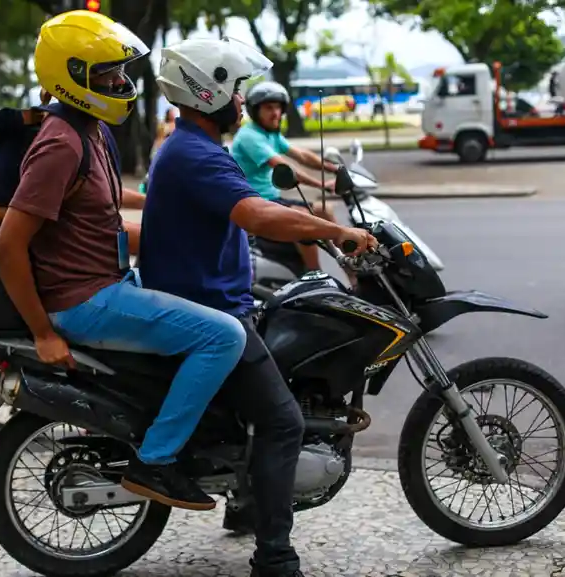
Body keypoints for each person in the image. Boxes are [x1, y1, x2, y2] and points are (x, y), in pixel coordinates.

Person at [0, 9, 248, 512]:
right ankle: (156, 460)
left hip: (109, 283)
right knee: (224, 336)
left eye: (120, 71)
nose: (119, 82)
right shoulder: (60, 143)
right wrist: (43, 334)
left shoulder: (89, 129)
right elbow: (8, 245)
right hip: (85, 302)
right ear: (70, 76)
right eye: (107, 74)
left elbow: (100, 218)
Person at [141, 37, 377, 577]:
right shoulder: (195, 154)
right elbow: (256, 213)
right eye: (236, 90)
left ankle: (246, 505)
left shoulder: (193, 147)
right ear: (208, 92)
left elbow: (252, 206)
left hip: (217, 299)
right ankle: (275, 557)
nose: (242, 100)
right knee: (283, 422)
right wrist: (334, 231)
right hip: (211, 311)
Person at [231, 81, 356, 285]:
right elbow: (285, 168)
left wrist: (335, 169)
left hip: (273, 199)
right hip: (257, 203)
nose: (275, 113)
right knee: (304, 216)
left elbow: (302, 155)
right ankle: (316, 277)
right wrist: (321, 185)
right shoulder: (250, 136)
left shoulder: (270, 134)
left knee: (324, 210)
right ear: (255, 111)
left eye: (278, 108)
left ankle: (349, 268)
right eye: (269, 108)